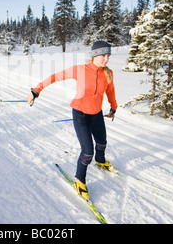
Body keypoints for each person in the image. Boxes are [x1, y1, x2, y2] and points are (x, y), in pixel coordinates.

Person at [27, 40, 117, 200]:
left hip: (96, 114)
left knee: (102, 143)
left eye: (108, 55)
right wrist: (36, 90)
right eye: (104, 55)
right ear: (95, 55)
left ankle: (101, 160)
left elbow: (110, 91)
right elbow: (55, 77)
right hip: (80, 114)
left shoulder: (108, 73)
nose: (106, 59)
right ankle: (79, 179)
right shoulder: (80, 70)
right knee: (87, 151)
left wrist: (113, 107)